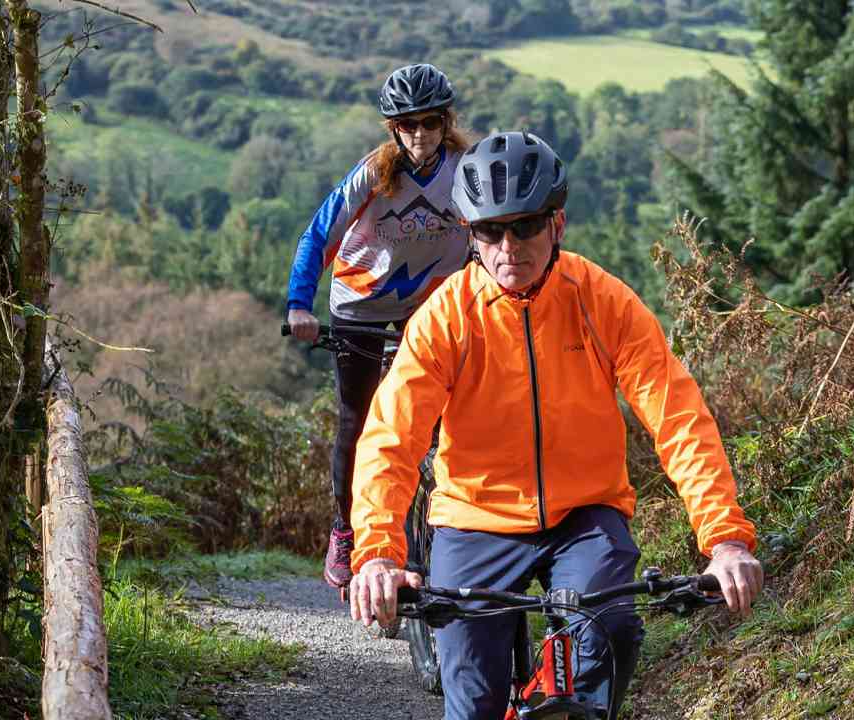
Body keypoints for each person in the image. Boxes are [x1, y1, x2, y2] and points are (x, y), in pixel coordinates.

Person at [345, 131, 765, 720]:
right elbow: (392, 437)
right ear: (471, 234)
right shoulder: (445, 319)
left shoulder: (603, 302)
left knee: (612, 632)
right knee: (473, 699)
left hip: (584, 515)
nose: (507, 246)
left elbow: (677, 417)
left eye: (525, 226)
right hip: (474, 519)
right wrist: (380, 555)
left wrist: (724, 539)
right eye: (489, 230)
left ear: (557, 224)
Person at [286, 63, 475, 590]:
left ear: (446, 122)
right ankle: (347, 529)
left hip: (429, 308)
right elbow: (317, 235)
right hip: (362, 306)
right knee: (359, 419)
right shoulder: (374, 174)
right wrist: (300, 305)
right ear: (394, 129)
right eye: (408, 124)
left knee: (440, 415)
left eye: (430, 123)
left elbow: (490, 240)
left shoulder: (466, 171)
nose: (420, 135)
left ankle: (454, 528)